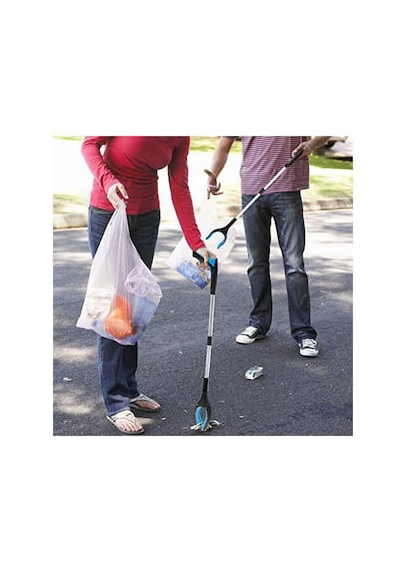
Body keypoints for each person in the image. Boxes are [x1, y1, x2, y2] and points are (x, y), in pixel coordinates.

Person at [82, 136, 215, 434]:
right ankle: (116, 402)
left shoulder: (180, 135)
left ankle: (129, 388)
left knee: (133, 306)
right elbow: (89, 144)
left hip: (146, 217)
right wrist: (108, 181)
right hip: (109, 213)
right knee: (114, 307)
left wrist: (196, 243)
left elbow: (179, 186)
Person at [205, 136, 331, 357]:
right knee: (256, 263)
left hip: (287, 189)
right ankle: (259, 323)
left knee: (294, 265)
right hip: (251, 192)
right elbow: (224, 146)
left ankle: (303, 333)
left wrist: (311, 145)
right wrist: (212, 176)